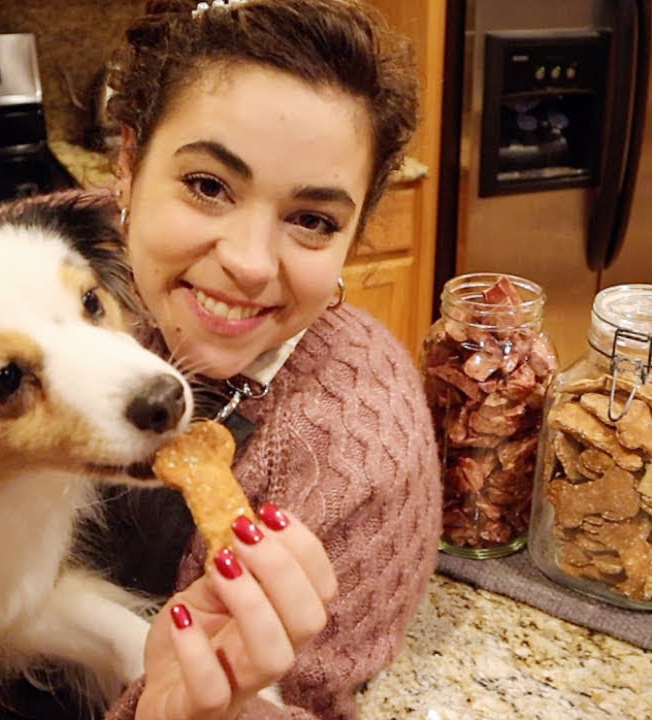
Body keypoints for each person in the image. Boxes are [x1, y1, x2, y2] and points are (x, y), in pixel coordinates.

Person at [83, 1, 441, 718]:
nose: (248, 265)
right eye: (208, 186)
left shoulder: (363, 453)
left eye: (312, 221)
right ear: (128, 166)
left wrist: (184, 708)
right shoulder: (35, 257)